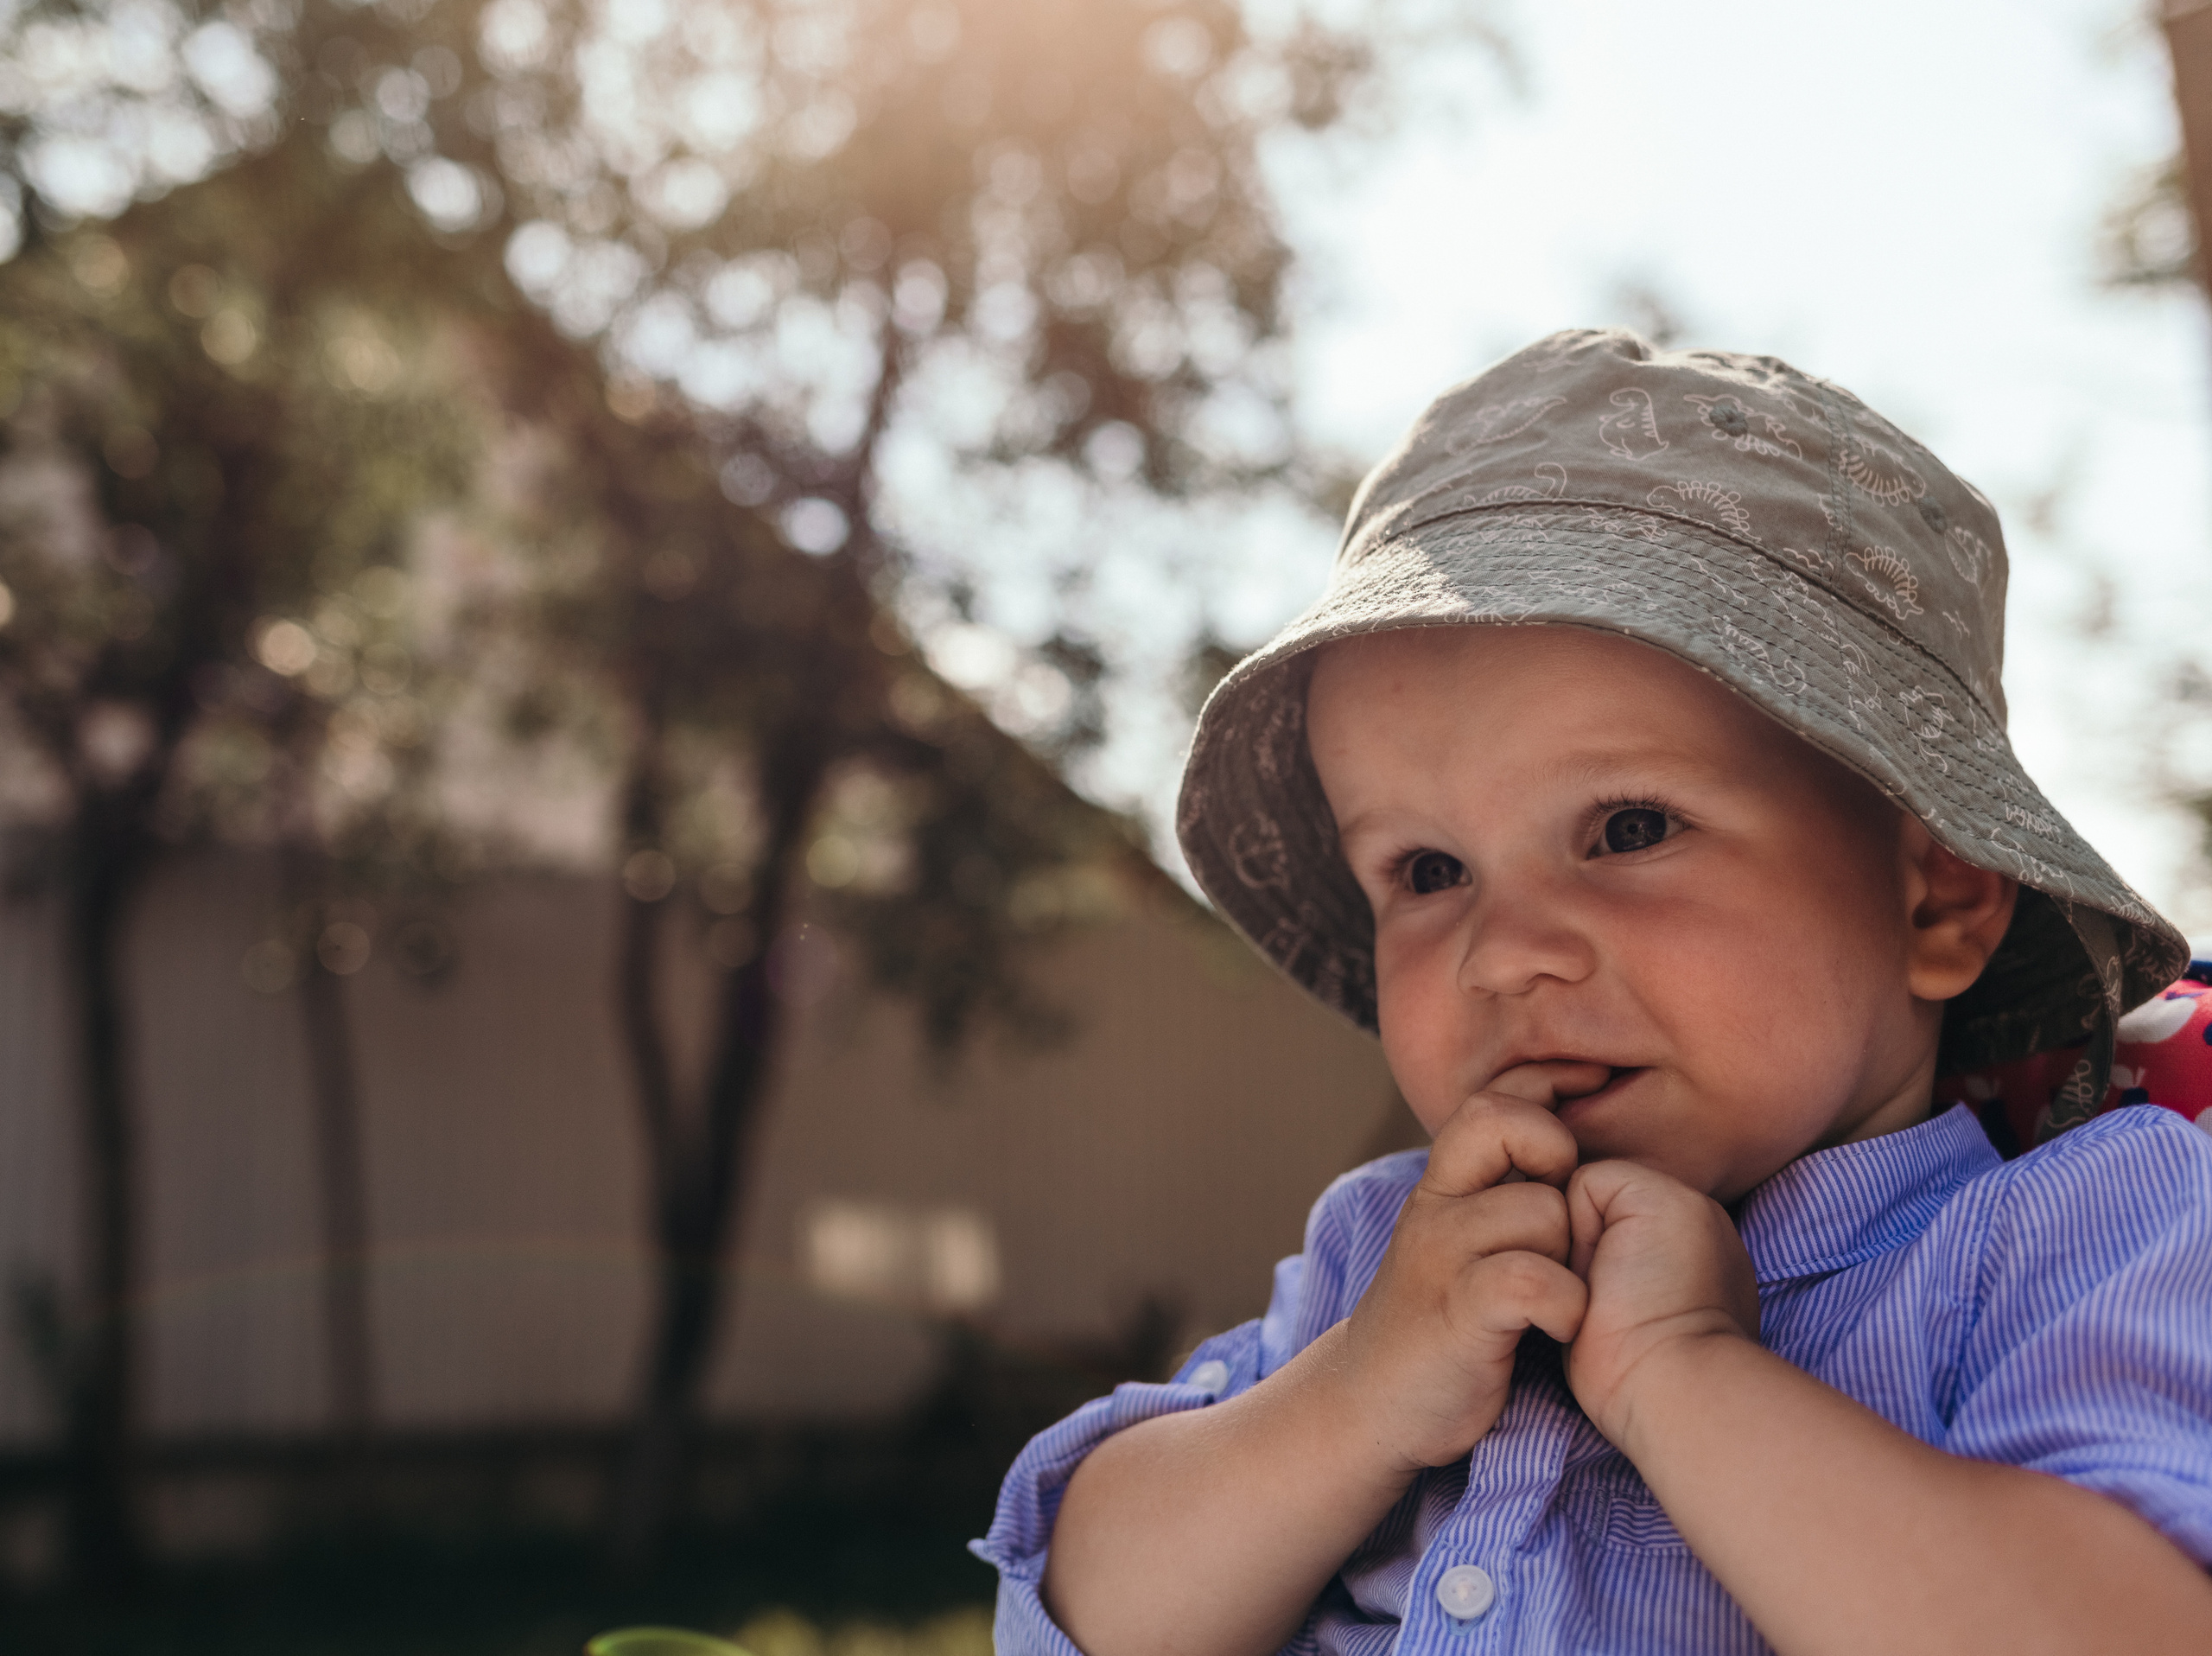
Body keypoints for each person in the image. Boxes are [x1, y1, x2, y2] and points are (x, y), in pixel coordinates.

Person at [971, 330, 2212, 1653]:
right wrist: (1353, 1397)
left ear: (1938, 898)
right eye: (1429, 868)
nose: (1503, 953)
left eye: (1627, 830)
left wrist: (1685, 1372)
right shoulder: (1382, 1260)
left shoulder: (2075, 1229)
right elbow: (1081, 1607)